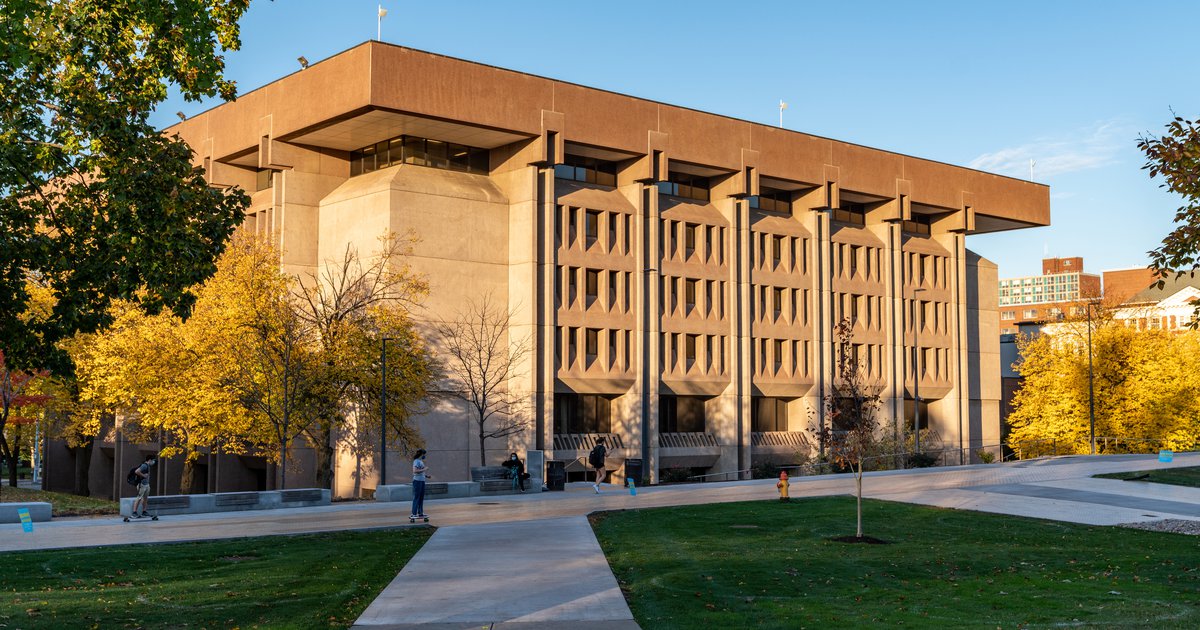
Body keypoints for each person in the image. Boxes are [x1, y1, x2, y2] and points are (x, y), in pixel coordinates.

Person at [411, 449, 429, 519]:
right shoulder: (416, 461)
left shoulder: (421, 461)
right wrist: (425, 469)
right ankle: (414, 513)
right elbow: (415, 471)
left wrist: (426, 476)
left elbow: (421, 472)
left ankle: (420, 512)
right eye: (424, 454)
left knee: (421, 497)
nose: (425, 456)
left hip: (422, 481)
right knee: (417, 497)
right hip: (417, 481)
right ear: (421, 454)